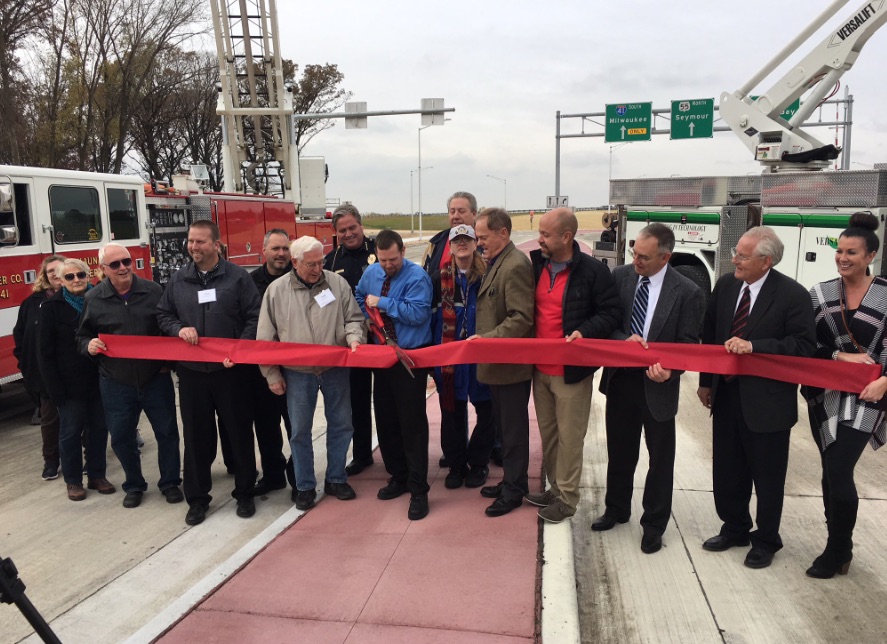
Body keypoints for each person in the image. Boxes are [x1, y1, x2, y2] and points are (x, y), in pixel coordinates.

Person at [697, 226, 816, 569]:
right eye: (736, 252)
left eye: (743, 256)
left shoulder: (792, 295)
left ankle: (766, 539)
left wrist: (755, 348)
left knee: (767, 476)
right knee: (727, 469)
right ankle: (734, 527)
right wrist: (707, 382)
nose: (734, 259)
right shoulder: (726, 285)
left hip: (767, 403)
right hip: (727, 394)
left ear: (766, 261)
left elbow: (803, 346)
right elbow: (711, 335)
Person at [595, 224, 705, 553]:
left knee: (660, 460)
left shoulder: (687, 292)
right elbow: (608, 323)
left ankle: (654, 524)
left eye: (643, 256)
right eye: (634, 252)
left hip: (658, 388)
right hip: (621, 380)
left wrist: (670, 372)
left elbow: (688, 345)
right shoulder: (620, 278)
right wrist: (621, 341)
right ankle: (616, 509)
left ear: (665, 257)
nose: (636, 260)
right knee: (620, 452)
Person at [157, 219, 262, 526]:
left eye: (200, 242)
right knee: (197, 437)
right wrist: (178, 329)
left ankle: (245, 493)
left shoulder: (238, 278)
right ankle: (198, 499)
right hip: (192, 374)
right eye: (191, 241)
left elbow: (254, 318)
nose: (194, 247)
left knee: (239, 432)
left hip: (230, 372)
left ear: (216, 245)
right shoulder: (179, 280)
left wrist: (238, 352)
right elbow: (164, 315)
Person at [804, 212, 887, 579]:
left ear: (870, 256)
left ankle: (838, 549)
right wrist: (839, 355)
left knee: (839, 468)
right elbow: (808, 345)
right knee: (829, 472)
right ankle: (836, 543)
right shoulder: (820, 293)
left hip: (871, 393)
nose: (842, 258)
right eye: (839, 251)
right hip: (827, 393)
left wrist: (886, 381)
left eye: (851, 252)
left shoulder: (885, 293)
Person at [258, 236, 365, 511]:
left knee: (342, 424)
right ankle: (304, 486)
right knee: (300, 431)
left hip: (334, 368)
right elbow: (266, 338)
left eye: (321, 262)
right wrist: (271, 375)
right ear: (295, 263)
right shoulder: (276, 291)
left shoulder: (336, 284)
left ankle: (336, 478)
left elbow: (354, 318)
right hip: (297, 373)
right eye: (311, 264)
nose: (318, 269)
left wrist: (354, 339)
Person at [528, 207, 621, 524]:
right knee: (550, 436)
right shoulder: (535, 265)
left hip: (571, 373)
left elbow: (610, 314)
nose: (539, 239)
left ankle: (567, 500)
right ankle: (555, 488)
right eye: (539, 232)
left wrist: (586, 331)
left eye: (545, 234)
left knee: (570, 438)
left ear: (566, 237)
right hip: (539, 370)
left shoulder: (593, 272)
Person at [76, 243, 183, 509]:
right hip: (116, 382)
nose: (123, 267)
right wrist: (88, 346)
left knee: (167, 432)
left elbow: (167, 326)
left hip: (155, 378)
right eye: (115, 264)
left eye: (126, 261)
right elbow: (82, 335)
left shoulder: (153, 291)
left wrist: (167, 362)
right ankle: (134, 485)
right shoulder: (94, 298)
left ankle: (170, 482)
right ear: (103, 269)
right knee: (122, 437)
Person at [356, 229, 433, 520]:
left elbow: (418, 314)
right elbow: (360, 295)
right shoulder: (372, 273)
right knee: (386, 421)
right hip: (382, 356)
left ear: (402, 251)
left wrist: (383, 304)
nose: (388, 265)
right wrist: (367, 315)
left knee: (411, 424)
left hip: (409, 359)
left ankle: (419, 489)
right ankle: (397, 476)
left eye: (393, 259)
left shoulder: (416, 277)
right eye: (384, 260)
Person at [472, 208, 535, 517]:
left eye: (483, 237)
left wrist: (488, 340)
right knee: (504, 429)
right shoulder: (497, 262)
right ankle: (512, 479)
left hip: (510, 366)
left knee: (513, 432)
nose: (479, 242)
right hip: (497, 365)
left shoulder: (515, 265)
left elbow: (521, 318)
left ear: (503, 233)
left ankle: (514, 490)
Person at [37, 258, 115, 501]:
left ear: (88, 275)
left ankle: (97, 475)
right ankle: (73, 481)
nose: (76, 280)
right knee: (70, 434)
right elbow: (45, 354)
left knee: (99, 431)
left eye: (80, 275)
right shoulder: (51, 308)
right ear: (60, 280)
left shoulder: (100, 300)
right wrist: (54, 390)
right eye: (69, 277)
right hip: (69, 386)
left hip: (100, 379)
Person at [430, 224, 494, 489]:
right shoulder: (438, 279)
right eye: (458, 240)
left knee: (488, 413)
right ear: (452, 245)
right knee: (452, 414)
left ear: (474, 242)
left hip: (482, 357)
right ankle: (456, 465)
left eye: (467, 239)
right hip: (451, 359)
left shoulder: (488, 276)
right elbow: (431, 321)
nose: (462, 244)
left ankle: (478, 463)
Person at [324, 204, 377, 476]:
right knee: (356, 399)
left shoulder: (379, 250)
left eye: (352, 228)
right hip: (352, 342)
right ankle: (361, 454)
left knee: (386, 398)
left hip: (382, 339)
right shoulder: (331, 262)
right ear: (336, 232)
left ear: (361, 225)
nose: (348, 234)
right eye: (342, 230)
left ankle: (394, 449)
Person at [13, 254, 66, 481]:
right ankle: (51, 462)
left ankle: (86, 459)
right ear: (44, 276)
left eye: (59, 269)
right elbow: (21, 336)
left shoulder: (81, 297)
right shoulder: (31, 304)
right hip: (46, 374)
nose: (55, 274)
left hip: (74, 372)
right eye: (50, 271)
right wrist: (26, 362)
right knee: (50, 420)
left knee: (82, 420)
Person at [249, 229, 293, 495]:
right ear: (263, 250)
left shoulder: (299, 279)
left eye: (285, 249)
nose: (281, 254)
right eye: (275, 248)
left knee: (296, 427)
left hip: (294, 368)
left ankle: (299, 476)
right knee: (266, 427)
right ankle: (273, 475)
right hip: (261, 369)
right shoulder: (249, 283)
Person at [423, 191, 477, 274]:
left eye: (461, 211)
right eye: (452, 211)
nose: (455, 216)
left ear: (474, 214)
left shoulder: (486, 242)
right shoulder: (435, 243)